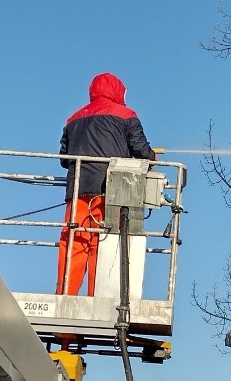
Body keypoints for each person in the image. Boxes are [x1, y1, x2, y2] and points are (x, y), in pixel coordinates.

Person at [56, 72, 156, 296]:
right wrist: (151, 156)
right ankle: (96, 300)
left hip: (78, 191)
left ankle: (64, 299)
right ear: (118, 91)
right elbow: (141, 151)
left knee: (74, 242)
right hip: (110, 192)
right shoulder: (126, 114)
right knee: (102, 245)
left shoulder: (73, 118)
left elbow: (64, 158)